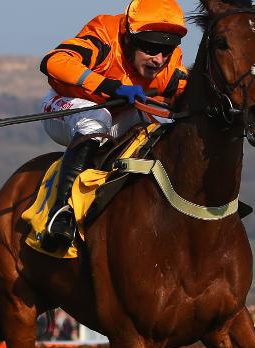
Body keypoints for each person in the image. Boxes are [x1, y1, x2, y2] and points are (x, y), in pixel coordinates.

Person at [38, 0, 189, 250]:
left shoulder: (170, 67)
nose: (159, 60)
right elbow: (53, 61)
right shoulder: (104, 36)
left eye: (167, 51)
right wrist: (110, 87)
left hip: (116, 116)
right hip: (67, 108)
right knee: (97, 119)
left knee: (161, 121)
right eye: (151, 49)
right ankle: (62, 212)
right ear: (129, 39)